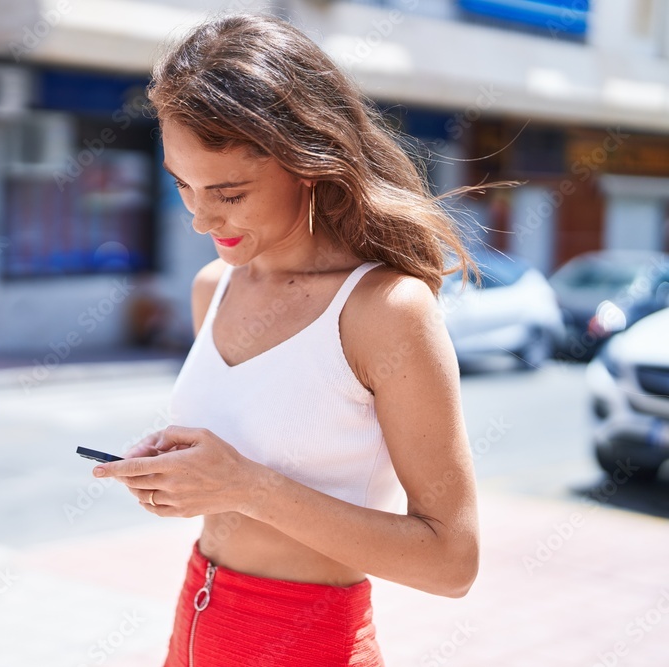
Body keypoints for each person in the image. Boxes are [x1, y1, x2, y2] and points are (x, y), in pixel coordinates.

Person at [90, 13, 480, 666]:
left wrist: (245, 485)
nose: (199, 217)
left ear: (308, 162)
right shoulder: (213, 287)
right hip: (195, 626)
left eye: (229, 192)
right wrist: (185, 474)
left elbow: (452, 560)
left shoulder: (384, 309)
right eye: (182, 184)